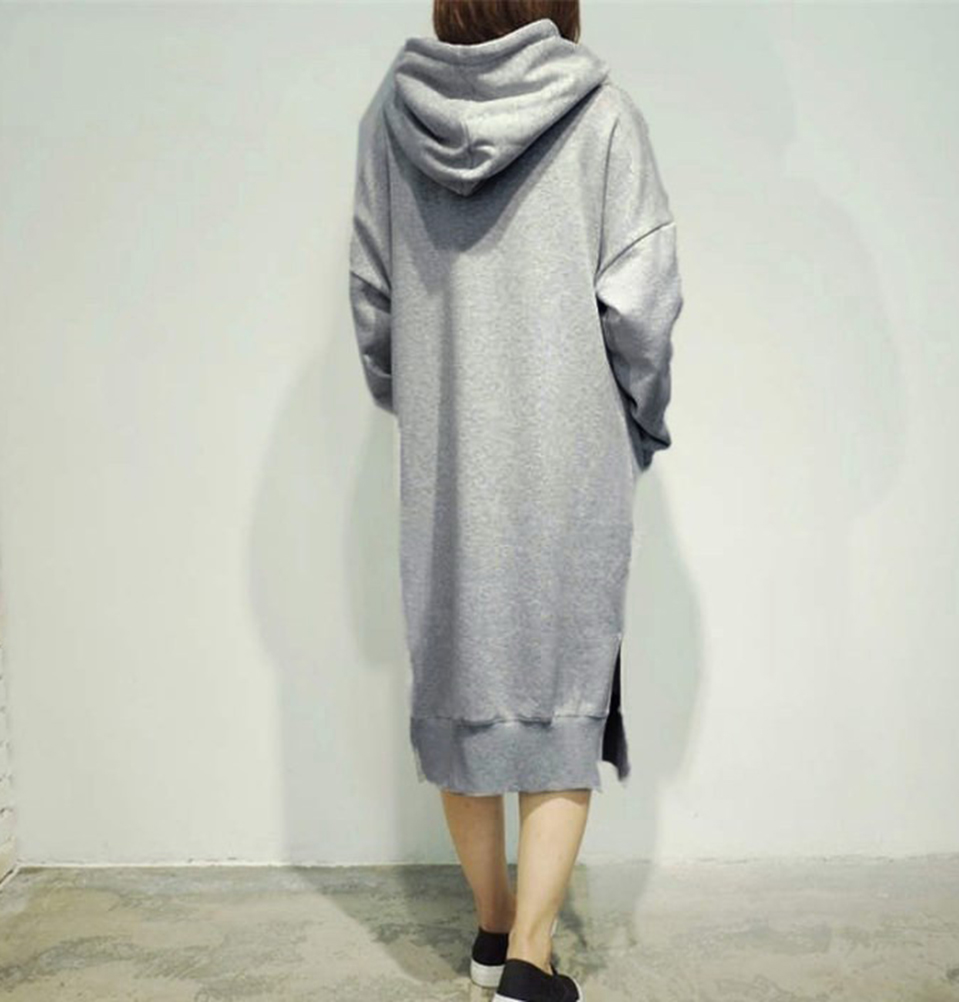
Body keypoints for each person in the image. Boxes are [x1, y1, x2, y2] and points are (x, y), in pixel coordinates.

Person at [348, 2, 683, 999]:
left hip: (448, 470)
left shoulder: (391, 118)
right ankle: (532, 959)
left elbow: (373, 302)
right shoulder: (602, 114)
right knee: (562, 695)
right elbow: (645, 305)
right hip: (570, 464)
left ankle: (493, 929)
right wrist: (641, 420)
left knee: (462, 693)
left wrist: (427, 411)